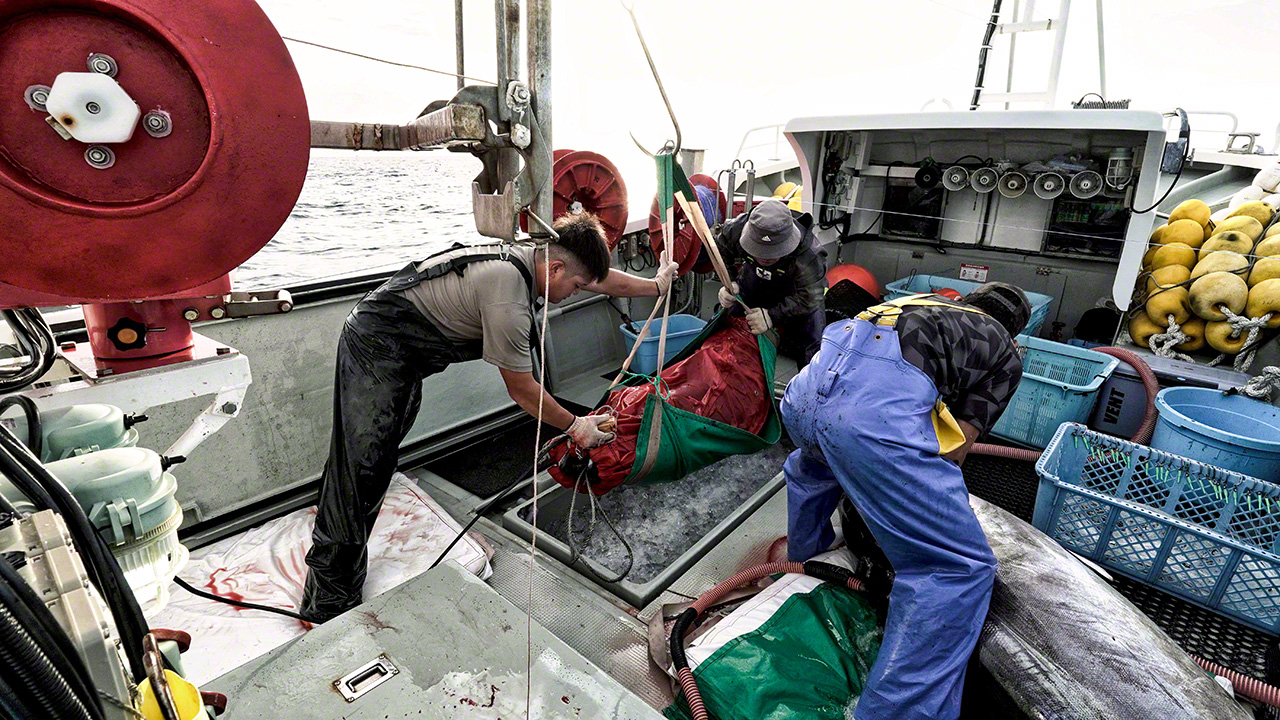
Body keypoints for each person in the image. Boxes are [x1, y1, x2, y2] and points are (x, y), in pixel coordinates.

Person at [301, 212, 678, 623]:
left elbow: (599, 280)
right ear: (555, 269)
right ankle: (328, 601)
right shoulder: (509, 302)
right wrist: (576, 426)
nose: (575, 294)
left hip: (405, 352)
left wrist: (656, 285)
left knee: (376, 455)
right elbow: (523, 391)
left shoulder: (535, 257)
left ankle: (340, 558)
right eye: (575, 286)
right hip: (376, 345)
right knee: (362, 467)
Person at [780, 282, 1030, 720]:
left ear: (967, 301)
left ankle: (804, 565)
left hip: (801, 397)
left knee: (814, 465)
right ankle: (895, 713)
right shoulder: (1006, 352)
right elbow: (955, 448)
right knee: (956, 569)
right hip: (864, 419)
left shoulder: (924, 305)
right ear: (1016, 332)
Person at [714, 198, 827, 366]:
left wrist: (772, 316)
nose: (764, 257)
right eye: (758, 250)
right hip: (753, 279)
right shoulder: (735, 229)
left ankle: (808, 381)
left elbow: (811, 297)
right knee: (722, 321)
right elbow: (719, 250)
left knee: (814, 345)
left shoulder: (810, 255)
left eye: (772, 253)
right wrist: (728, 282)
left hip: (798, 295)